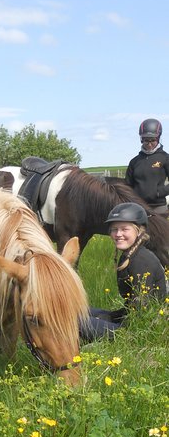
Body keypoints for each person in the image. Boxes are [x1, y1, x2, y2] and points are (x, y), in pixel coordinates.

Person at [80, 202, 167, 342]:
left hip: (136, 332)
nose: (118, 234)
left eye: (124, 229)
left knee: (75, 321)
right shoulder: (130, 255)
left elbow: (140, 315)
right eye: (114, 229)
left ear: (139, 231)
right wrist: (109, 316)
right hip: (130, 319)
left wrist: (110, 323)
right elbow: (131, 306)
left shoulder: (141, 261)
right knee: (79, 311)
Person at [125, 118, 169, 216]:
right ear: (141, 139)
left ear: (158, 138)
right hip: (138, 207)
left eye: (153, 140)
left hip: (158, 207)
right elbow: (128, 185)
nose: (149, 144)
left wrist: (159, 192)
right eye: (146, 140)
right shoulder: (134, 161)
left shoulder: (165, 158)